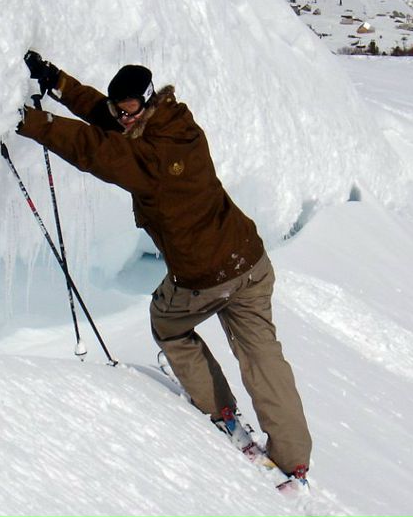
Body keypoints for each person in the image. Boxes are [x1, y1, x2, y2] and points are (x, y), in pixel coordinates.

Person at [16, 51, 312, 488]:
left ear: (148, 100)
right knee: (262, 355)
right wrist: (57, 81)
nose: (123, 117)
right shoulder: (175, 122)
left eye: (130, 109)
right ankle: (294, 460)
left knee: (168, 325)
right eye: (120, 109)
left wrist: (30, 121)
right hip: (249, 261)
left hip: (204, 277)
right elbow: (108, 120)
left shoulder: (154, 158)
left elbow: (96, 150)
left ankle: (220, 410)